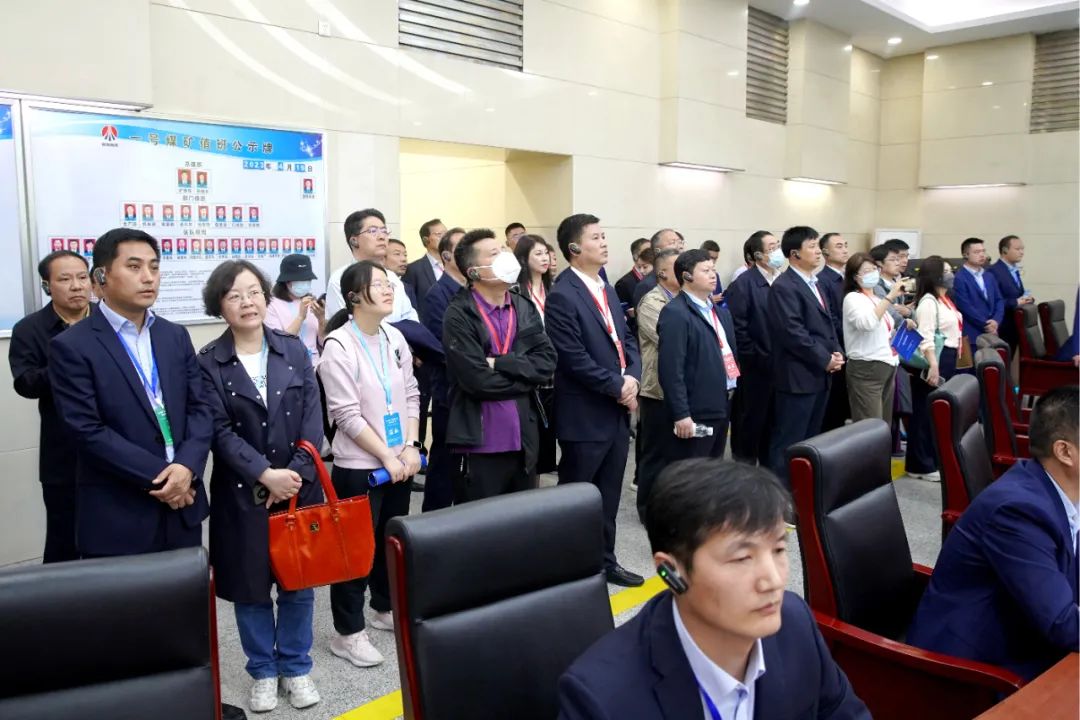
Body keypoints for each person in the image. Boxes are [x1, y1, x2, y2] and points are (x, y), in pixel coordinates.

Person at [557, 459, 870, 719]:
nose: (774, 580)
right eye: (742, 558)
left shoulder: (794, 623)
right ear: (671, 572)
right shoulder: (601, 699)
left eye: (778, 550)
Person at [198, 261, 323, 712]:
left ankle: (296, 667)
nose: (246, 302)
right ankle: (263, 671)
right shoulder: (208, 362)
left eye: (253, 292)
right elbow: (217, 431)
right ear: (219, 305)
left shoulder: (294, 350)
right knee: (250, 588)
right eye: (234, 295)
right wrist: (266, 474)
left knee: (298, 584)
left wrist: (295, 473)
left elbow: (314, 419)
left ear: (266, 297)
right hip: (241, 493)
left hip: (298, 488)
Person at [49, 228, 212, 557]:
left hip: (184, 503)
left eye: (154, 267)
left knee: (184, 590)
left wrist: (186, 467)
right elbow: (86, 430)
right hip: (120, 512)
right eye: (134, 267)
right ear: (102, 276)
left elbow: (201, 408)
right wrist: (165, 479)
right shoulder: (72, 345)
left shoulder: (174, 335)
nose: (148, 277)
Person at [908, 386, 1079, 680]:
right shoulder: (1019, 512)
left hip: (1029, 635)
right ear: (1064, 451)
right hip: (976, 674)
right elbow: (1063, 625)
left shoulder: (1061, 490)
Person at [318, 261, 421, 668]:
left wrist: (410, 446)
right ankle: (348, 633)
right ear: (353, 297)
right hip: (361, 465)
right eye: (377, 284)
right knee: (355, 550)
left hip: (399, 461)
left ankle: (384, 607)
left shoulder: (394, 337)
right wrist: (386, 456)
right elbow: (346, 414)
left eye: (388, 283)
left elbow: (411, 394)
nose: (388, 289)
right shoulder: (338, 345)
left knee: (389, 541)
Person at [547, 213, 643, 587]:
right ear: (574, 247)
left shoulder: (604, 287)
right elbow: (572, 357)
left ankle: (605, 561)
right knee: (576, 496)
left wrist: (632, 377)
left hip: (615, 409)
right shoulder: (563, 294)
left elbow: (627, 339)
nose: (604, 243)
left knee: (608, 494)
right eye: (596, 237)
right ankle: (564, 568)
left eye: (604, 236)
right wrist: (617, 385)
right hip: (585, 413)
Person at [443, 229, 556, 501]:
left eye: (503, 250)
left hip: (524, 439)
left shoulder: (523, 306)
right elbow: (477, 380)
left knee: (522, 520)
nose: (506, 256)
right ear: (475, 272)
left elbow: (546, 362)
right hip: (481, 442)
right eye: (495, 254)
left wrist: (499, 362)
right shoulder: (459, 314)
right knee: (482, 522)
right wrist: (526, 379)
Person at [9, 250, 93, 562]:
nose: (76, 286)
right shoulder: (30, 329)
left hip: (115, 447)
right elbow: (26, 384)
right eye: (65, 279)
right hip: (63, 453)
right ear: (47, 286)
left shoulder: (109, 321)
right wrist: (66, 363)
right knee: (64, 542)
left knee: (114, 539)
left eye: (82, 277)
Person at [766, 227, 843, 485]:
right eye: (812, 246)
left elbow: (828, 323)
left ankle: (802, 491)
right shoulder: (784, 286)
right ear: (794, 254)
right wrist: (824, 358)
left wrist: (836, 352)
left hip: (819, 374)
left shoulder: (815, 282)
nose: (818, 251)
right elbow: (792, 332)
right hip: (797, 376)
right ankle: (780, 494)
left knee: (810, 439)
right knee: (789, 440)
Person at [658, 249, 738, 463]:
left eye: (713, 269)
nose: (713, 275)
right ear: (686, 276)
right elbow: (671, 370)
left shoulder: (720, 312)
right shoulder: (676, 313)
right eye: (705, 270)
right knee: (694, 467)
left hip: (722, 404)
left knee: (713, 467)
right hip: (697, 411)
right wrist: (681, 413)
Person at [420, 228, 467, 511]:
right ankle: (433, 520)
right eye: (463, 248)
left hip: (472, 390)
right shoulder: (438, 294)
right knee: (444, 462)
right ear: (447, 256)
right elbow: (439, 346)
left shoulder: (472, 290)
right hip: (449, 391)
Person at [726, 231, 781, 467]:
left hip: (782, 365)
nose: (778, 252)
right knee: (751, 419)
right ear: (757, 255)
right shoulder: (744, 284)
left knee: (774, 422)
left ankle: (770, 467)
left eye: (778, 245)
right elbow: (738, 329)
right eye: (772, 248)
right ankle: (744, 466)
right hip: (756, 366)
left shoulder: (782, 280)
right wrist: (757, 357)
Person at [905, 256, 963, 480]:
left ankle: (932, 458)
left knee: (936, 411)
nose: (951, 275)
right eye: (946, 271)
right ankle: (919, 464)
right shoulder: (928, 302)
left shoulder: (945, 299)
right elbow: (926, 337)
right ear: (935, 275)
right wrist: (933, 365)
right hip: (935, 358)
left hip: (948, 356)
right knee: (924, 412)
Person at [635, 248, 679, 522]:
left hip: (683, 388)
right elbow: (671, 340)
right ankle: (647, 508)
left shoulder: (688, 299)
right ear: (662, 272)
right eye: (677, 265)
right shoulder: (652, 302)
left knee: (677, 454)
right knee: (655, 453)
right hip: (657, 389)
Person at [514, 233, 558, 475]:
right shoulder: (516, 291)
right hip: (530, 370)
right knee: (532, 440)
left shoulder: (555, 289)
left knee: (550, 438)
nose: (545, 258)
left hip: (556, 371)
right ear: (523, 258)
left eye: (546, 253)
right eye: (538, 254)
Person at [325, 209, 418, 322]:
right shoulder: (339, 279)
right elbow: (344, 324)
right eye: (373, 231)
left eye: (384, 231)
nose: (382, 237)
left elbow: (411, 320)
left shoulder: (392, 278)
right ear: (354, 241)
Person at [841, 252, 901, 426]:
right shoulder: (853, 298)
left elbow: (884, 329)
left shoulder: (875, 298)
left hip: (887, 363)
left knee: (884, 423)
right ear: (855, 276)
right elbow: (867, 324)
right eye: (867, 271)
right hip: (867, 366)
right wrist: (889, 297)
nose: (873, 273)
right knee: (870, 424)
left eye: (874, 269)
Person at [264, 254, 325, 362]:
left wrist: (321, 320)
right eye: (300, 280)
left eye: (307, 279)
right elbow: (279, 343)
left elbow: (323, 342)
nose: (305, 283)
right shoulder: (271, 305)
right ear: (287, 281)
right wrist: (300, 317)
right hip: (287, 364)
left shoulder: (311, 302)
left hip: (313, 364)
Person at [818, 233, 850, 432]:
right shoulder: (823, 280)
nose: (845, 250)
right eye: (839, 246)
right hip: (838, 349)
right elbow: (831, 319)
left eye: (845, 245)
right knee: (833, 410)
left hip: (850, 349)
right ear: (825, 252)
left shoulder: (847, 279)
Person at [952, 237, 1004, 346]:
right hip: (972, 332)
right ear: (966, 255)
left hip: (993, 331)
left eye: (983, 251)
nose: (982, 255)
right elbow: (965, 306)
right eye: (977, 252)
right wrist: (986, 325)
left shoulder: (989, 276)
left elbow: (999, 300)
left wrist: (996, 321)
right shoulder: (960, 277)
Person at [987, 234, 1033, 355]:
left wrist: (1026, 299)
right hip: (1002, 326)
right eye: (1017, 249)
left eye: (1022, 249)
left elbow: (1017, 293)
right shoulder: (993, 271)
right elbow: (993, 301)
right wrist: (1016, 302)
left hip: (1015, 324)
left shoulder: (1013, 269)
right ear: (1005, 250)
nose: (1022, 252)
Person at [403, 218, 446, 323]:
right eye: (439, 234)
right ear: (426, 240)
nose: (445, 238)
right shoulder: (414, 269)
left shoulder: (455, 266)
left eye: (446, 233)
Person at [632, 228, 686, 309]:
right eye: (673, 242)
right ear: (657, 251)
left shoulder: (688, 277)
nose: (680, 246)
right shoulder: (647, 285)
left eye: (680, 242)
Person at [614, 238, 651, 329]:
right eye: (647, 251)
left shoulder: (657, 279)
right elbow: (623, 316)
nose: (651, 253)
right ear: (636, 256)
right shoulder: (623, 284)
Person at [699, 240, 726, 306]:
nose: (713, 261)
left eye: (715, 258)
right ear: (701, 255)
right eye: (711, 258)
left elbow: (719, 301)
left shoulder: (716, 276)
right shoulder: (695, 276)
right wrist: (709, 301)